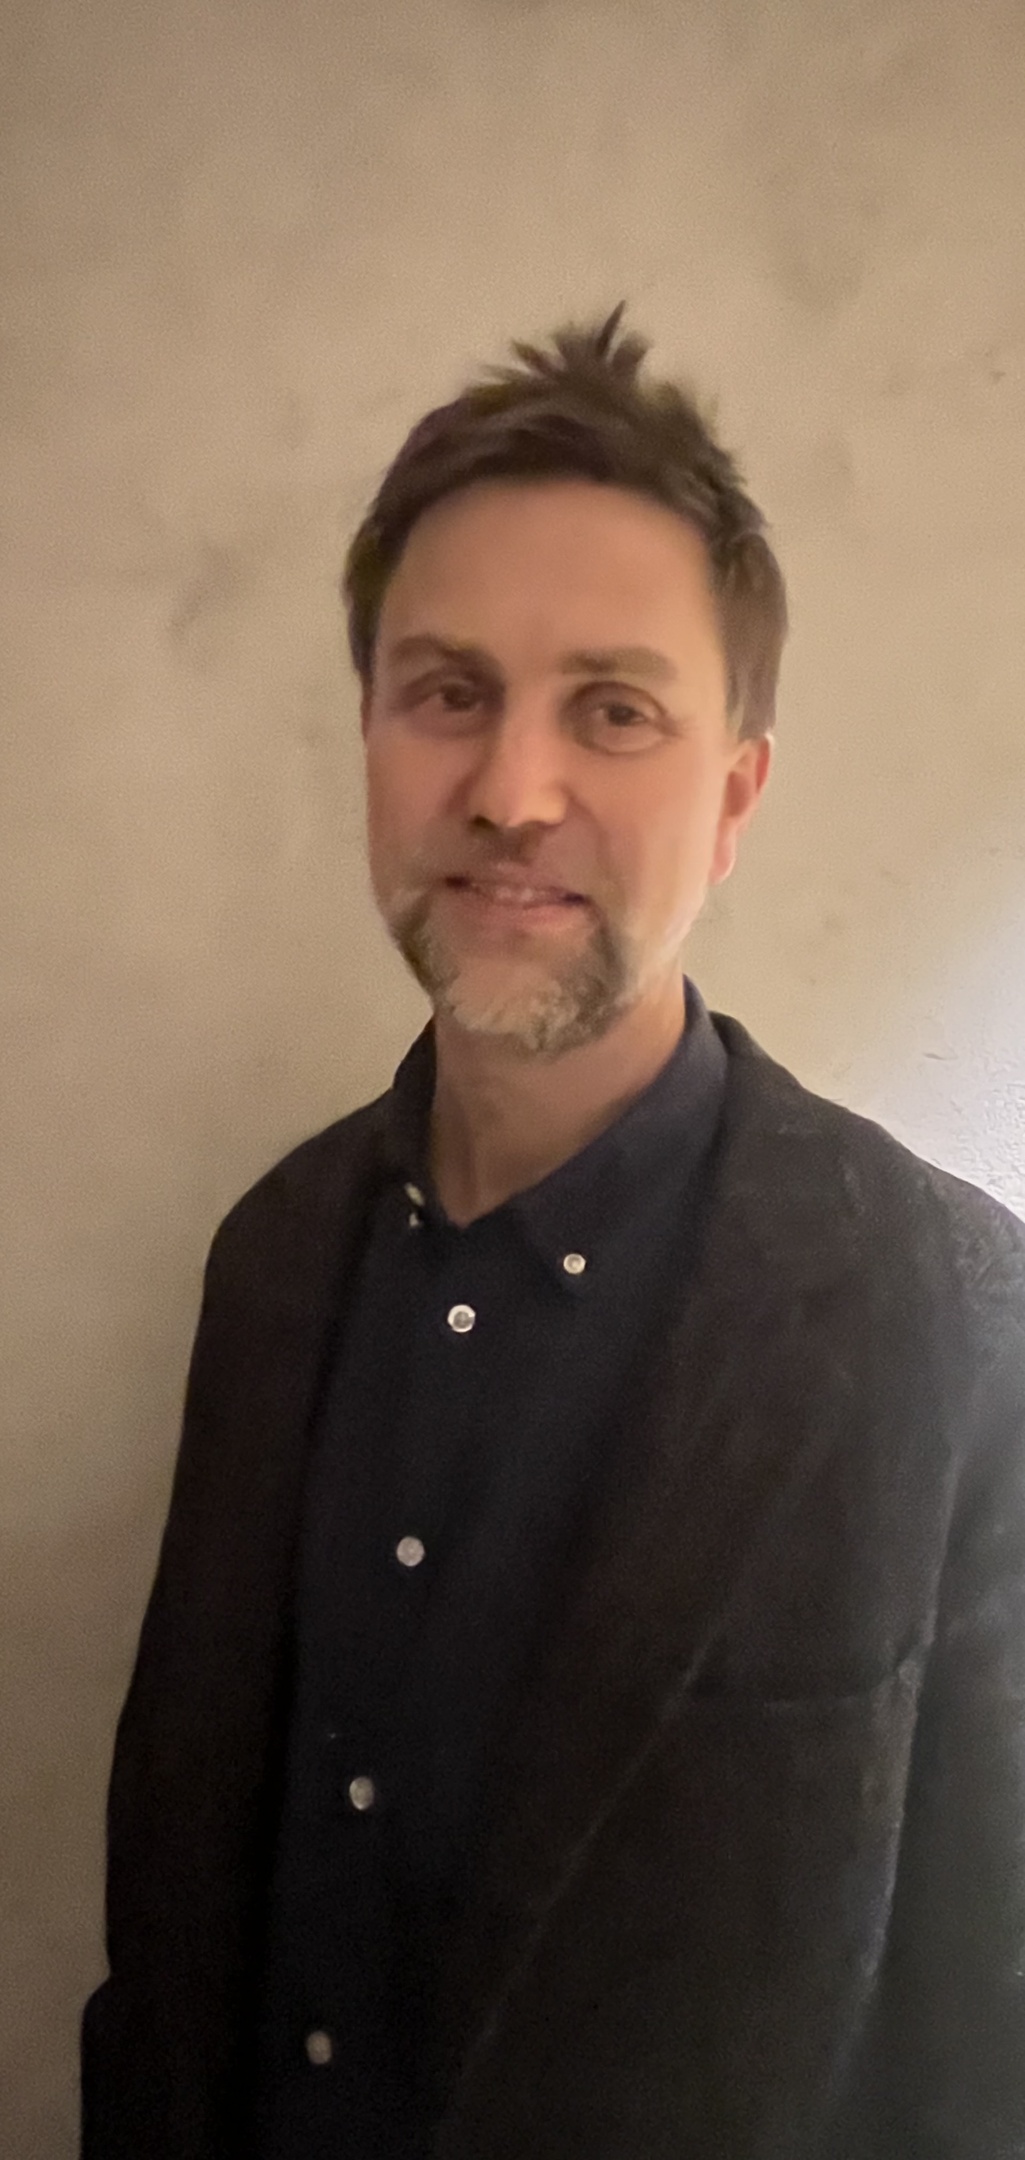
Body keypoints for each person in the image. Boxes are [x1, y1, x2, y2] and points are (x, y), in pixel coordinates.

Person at [81, 304, 1025, 2160]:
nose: (512, 792)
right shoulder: (270, 1260)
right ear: (369, 733)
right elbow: (177, 1913)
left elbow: (984, 2043)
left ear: (732, 795)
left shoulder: (949, 1319)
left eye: (613, 710)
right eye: (447, 692)